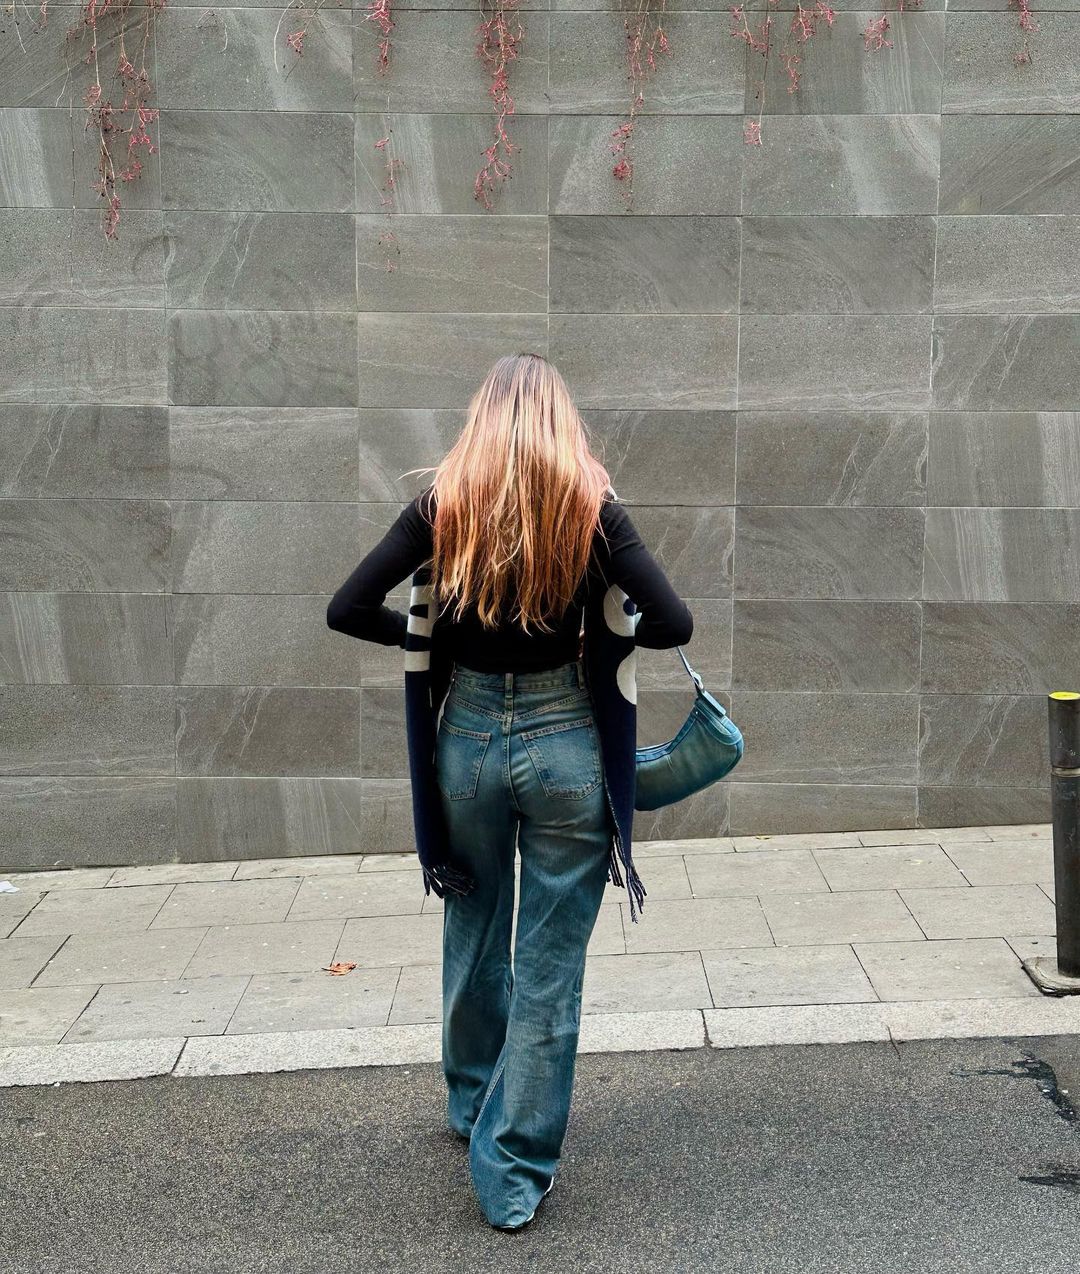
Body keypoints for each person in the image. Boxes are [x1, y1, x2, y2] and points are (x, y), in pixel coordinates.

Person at [326, 352, 693, 1231]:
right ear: (563, 424)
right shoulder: (592, 511)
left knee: (475, 928)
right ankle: (513, 1169)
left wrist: (426, 639)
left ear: (481, 420)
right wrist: (604, 626)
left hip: (467, 748)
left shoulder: (442, 508)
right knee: (549, 966)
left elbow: (347, 608)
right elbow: (674, 622)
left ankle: (470, 1106)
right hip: (567, 747)